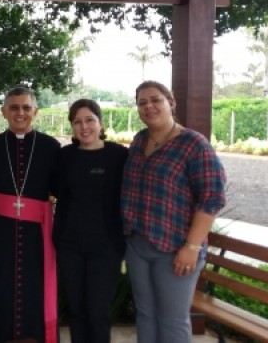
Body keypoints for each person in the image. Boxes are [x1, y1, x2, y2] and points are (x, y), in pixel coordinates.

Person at [122, 81, 226, 343]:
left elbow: (212, 198)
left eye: (155, 100)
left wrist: (191, 247)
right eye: (142, 102)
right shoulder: (139, 141)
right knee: (145, 314)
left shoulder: (194, 144)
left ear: (171, 102)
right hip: (138, 245)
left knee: (172, 320)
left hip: (176, 248)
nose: (149, 106)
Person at [0, 86, 61, 343]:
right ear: (4, 112)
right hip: (0, 232)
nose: (20, 112)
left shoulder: (51, 146)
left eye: (26, 107)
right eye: (14, 107)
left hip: (38, 236)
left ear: (35, 111)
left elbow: (62, 189)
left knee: (34, 288)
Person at [53, 99, 128, 343]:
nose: (84, 127)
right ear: (72, 127)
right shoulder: (65, 156)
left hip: (106, 247)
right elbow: (53, 191)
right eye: (77, 122)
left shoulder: (118, 155)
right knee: (76, 311)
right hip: (69, 245)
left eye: (89, 120)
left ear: (100, 122)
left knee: (97, 313)